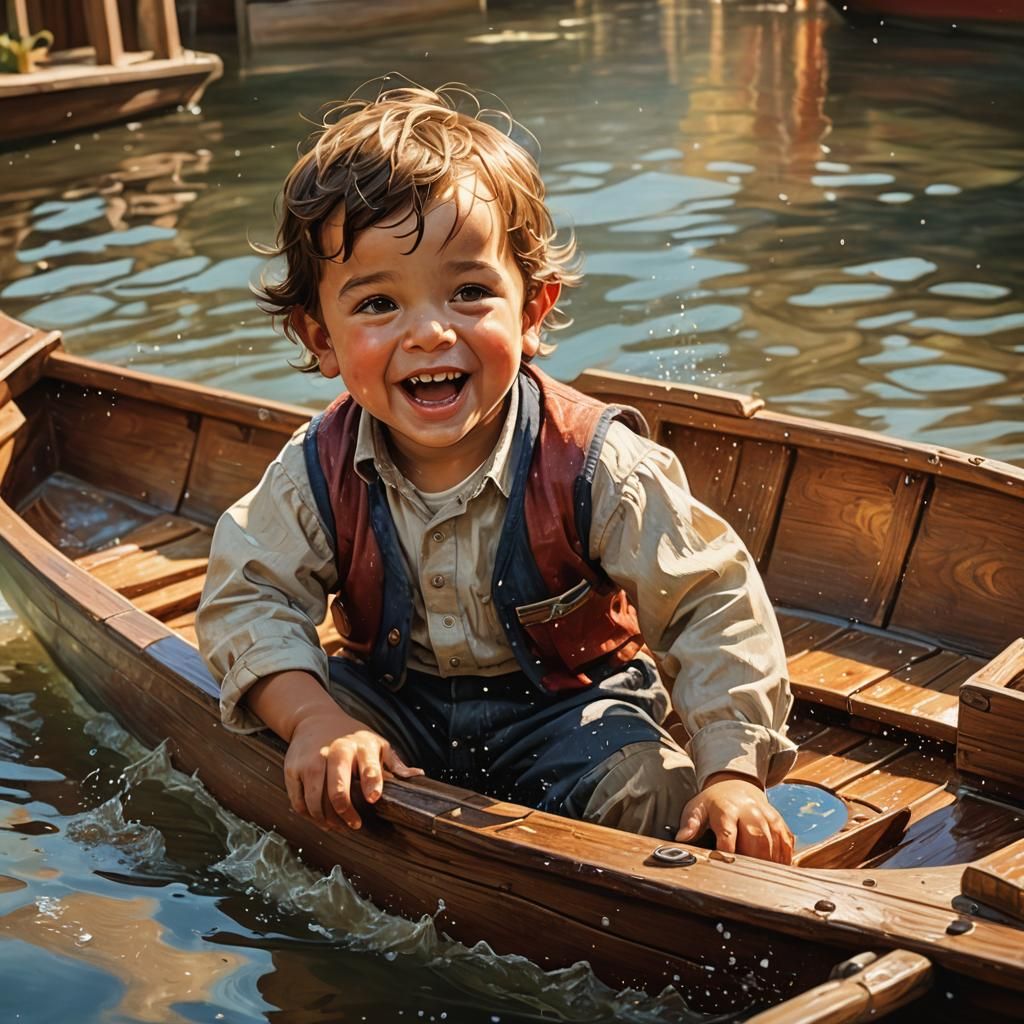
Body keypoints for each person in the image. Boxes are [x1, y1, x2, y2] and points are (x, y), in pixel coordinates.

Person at [196, 83, 797, 863]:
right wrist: (316, 720)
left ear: (534, 311)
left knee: (655, 792)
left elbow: (710, 602)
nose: (430, 332)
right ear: (320, 338)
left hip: (568, 712)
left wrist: (734, 774)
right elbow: (249, 594)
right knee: (293, 740)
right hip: (394, 704)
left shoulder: (594, 462)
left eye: (471, 292)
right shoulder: (319, 467)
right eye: (378, 304)